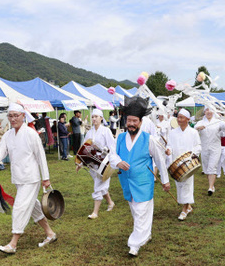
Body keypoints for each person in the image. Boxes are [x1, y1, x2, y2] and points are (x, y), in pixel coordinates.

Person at [0, 103, 58, 254]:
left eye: (15, 115)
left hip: (31, 178)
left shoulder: (31, 134)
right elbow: (0, 152)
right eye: (10, 116)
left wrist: (45, 178)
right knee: (33, 208)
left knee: (19, 207)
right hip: (18, 178)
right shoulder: (8, 135)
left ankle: (13, 243)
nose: (12, 119)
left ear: (23, 116)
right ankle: (50, 234)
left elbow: (41, 156)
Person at [108, 96, 170, 257]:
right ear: (125, 121)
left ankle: (134, 245)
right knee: (137, 212)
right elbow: (112, 156)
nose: (131, 124)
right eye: (129, 121)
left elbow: (160, 160)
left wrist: (165, 180)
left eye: (135, 121)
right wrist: (119, 162)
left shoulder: (149, 139)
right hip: (127, 182)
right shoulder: (120, 138)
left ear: (141, 122)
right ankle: (146, 235)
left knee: (141, 211)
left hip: (144, 182)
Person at [78, 109, 116, 219]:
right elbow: (84, 148)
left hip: (104, 163)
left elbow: (112, 147)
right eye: (93, 117)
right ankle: (110, 202)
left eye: (96, 116)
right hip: (92, 164)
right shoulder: (89, 132)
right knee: (101, 184)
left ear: (101, 118)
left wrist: (107, 154)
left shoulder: (106, 131)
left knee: (98, 186)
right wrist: (80, 163)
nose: (94, 119)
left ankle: (95, 212)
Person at [168, 109, 201, 220]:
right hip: (176, 163)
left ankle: (184, 209)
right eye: (178, 117)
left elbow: (198, 146)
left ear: (187, 119)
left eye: (182, 117)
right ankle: (188, 206)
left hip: (188, 163)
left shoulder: (193, 132)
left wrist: (191, 156)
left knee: (187, 185)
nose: (179, 119)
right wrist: (168, 151)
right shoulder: (172, 133)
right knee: (179, 185)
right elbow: (169, 145)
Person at [194, 106, 225, 195]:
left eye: (210, 110)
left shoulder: (218, 122)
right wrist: (198, 128)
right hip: (204, 148)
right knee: (207, 169)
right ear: (204, 112)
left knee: (212, 167)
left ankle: (210, 187)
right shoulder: (200, 122)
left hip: (215, 148)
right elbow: (193, 131)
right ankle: (211, 184)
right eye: (207, 110)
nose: (209, 112)